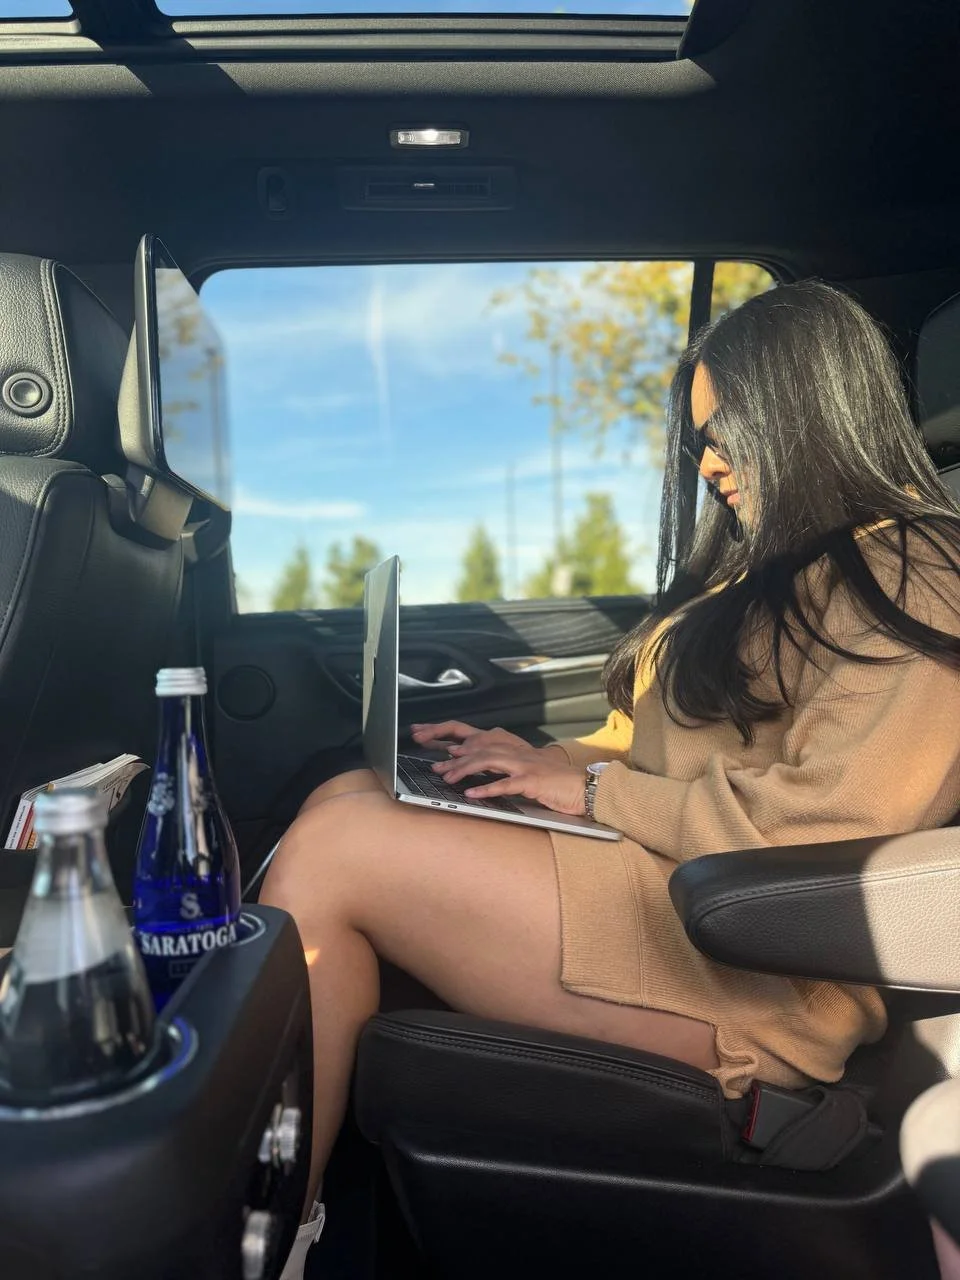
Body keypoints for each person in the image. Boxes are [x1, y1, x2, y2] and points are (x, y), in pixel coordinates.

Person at [262, 280, 960, 1278]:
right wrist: (551, 760)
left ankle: (261, 1240)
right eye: (703, 439)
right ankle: (270, 1202)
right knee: (346, 797)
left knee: (337, 851)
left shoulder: (914, 569)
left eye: (731, 433)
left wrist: (596, 796)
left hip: (755, 963)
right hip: (673, 883)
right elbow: (669, 751)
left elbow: (824, 826)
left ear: (808, 412)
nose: (711, 462)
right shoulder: (768, 571)